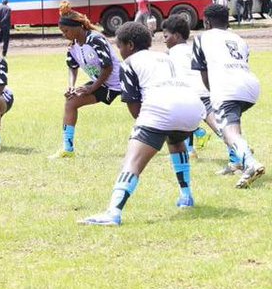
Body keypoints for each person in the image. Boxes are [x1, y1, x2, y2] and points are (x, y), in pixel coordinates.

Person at [79, 22, 206, 225]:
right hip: (194, 110)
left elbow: (134, 107)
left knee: (133, 160)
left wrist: (144, 130)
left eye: (119, 46)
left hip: (162, 108)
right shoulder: (165, 56)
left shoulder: (129, 63)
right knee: (175, 141)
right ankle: (186, 195)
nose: (119, 52)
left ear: (129, 45)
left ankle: (113, 212)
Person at [191, 3, 263, 188]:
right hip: (251, 86)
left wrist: (214, 93)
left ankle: (251, 163)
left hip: (227, 88)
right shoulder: (239, 38)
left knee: (227, 131)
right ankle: (240, 161)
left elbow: (203, 73)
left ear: (206, 22)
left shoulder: (202, 38)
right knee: (231, 126)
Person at [51, 1, 123, 158]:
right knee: (71, 102)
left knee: (142, 112)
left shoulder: (95, 39)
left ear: (78, 27)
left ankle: (181, 140)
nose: (64, 34)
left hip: (120, 82)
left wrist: (92, 88)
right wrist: (71, 86)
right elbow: (72, 67)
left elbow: (108, 67)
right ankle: (67, 149)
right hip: (102, 83)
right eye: (62, 31)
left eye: (66, 30)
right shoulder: (73, 46)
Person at [161, 13, 221, 159]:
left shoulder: (170, 53)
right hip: (205, 92)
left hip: (188, 94)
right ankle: (237, 147)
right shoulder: (193, 49)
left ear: (175, 36)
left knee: (180, 120)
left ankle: (188, 149)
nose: (164, 40)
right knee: (219, 126)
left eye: (166, 36)